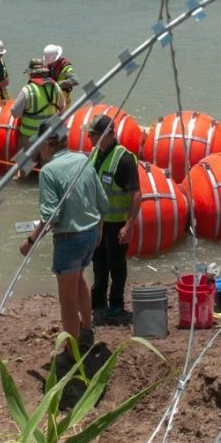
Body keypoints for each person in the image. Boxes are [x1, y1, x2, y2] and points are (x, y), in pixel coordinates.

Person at [21, 123, 108, 354]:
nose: (36, 148)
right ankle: (87, 330)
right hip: (90, 235)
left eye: (39, 143)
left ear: (48, 143)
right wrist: (99, 230)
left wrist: (30, 241)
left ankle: (72, 351)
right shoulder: (83, 160)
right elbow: (102, 201)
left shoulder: (49, 171)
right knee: (79, 279)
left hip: (70, 240)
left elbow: (51, 215)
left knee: (67, 300)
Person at [86, 114, 142, 326]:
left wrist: (129, 225)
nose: (89, 137)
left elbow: (137, 194)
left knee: (116, 265)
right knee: (98, 264)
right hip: (97, 223)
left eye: (93, 134)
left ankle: (116, 304)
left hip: (116, 223)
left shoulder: (124, 159)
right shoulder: (95, 154)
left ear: (108, 134)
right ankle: (98, 302)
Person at [11, 58, 65, 151]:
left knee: (25, 164)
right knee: (47, 163)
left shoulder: (27, 90)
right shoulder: (55, 87)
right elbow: (63, 108)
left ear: (31, 73)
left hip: (29, 138)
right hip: (49, 136)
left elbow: (15, 113)